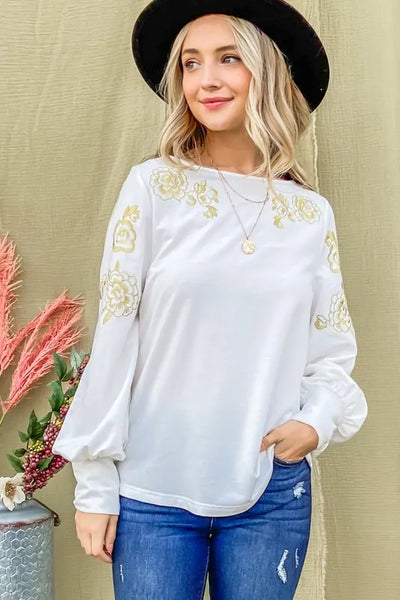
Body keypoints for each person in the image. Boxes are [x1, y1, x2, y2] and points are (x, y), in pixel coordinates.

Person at [52, 1, 368, 598]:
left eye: (229, 58)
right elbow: (116, 335)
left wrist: (317, 420)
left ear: (267, 71)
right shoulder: (153, 188)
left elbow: (330, 351)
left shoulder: (309, 216)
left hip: (271, 492)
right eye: (191, 63)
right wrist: (95, 483)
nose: (206, 80)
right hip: (152, 491)